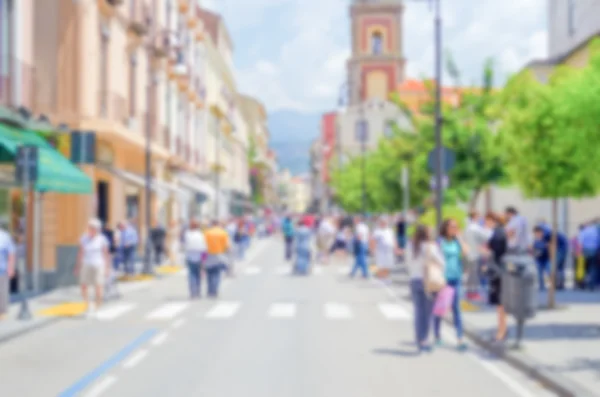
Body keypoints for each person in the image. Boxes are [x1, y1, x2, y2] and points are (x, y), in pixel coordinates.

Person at [433, 218, 469, 350]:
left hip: (456, 277)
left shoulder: (457, 241)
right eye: (452, 227)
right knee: (441, 308)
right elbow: (434, 258)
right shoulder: (440, 242)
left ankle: (460, 338)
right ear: (446, 228)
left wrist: (459, 237)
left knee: (456, 309)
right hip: (443, 279)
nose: (455, 229)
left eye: (456, 227)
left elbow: (466, 252)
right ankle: (437, 335)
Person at [410, 225, 443, 351]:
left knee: (418, 311)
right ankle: (424, 339)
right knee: (428, 312)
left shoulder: (411, 246)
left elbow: (408, 263)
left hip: (414, 280)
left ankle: (419, 337)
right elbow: (442, 263)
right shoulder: (431, 247)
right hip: (428, 281)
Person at [75, 219, 110, 318]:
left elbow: (106, 254)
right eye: (89, 227)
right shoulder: (84, 238)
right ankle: (88, 305)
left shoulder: (102, 239)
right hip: (86, 264)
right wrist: (78, 266)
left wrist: (107, 268)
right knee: (83, 286)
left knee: (98, 287)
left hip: (99, 265)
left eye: (93, 228)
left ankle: (97, 307)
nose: (91, 229)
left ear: (97, 229)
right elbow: (81, 252)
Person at [484, 212, 508, 342]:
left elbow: (496, 251)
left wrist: (486, 251)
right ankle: (502, 330)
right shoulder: (501, 232)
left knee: (500, 303)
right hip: (501, 269)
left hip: (498, 270)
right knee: (500, 303)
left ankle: (501, 331)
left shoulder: (497, 233)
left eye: (486, 221)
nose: (485, 224)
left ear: (492, 220)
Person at [465, 210, 492, 300]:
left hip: (469, 253)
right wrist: (488, 228)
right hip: (475, 254)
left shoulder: (468, 227)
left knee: (471, 274)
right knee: (474, 274)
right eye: (478, 216)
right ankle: (473, 293)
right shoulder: (475, 227)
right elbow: (487, 236)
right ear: (475, 216)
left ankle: (469, 292)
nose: (480, 218)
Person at [203, 220, 231, 298]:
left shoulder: (207, 233)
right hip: (219, 254)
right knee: (217, 273)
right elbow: (228, 246)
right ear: (218, 224)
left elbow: (203, 244)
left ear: (212, 224)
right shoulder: (223, 233)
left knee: (209, 273)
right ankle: (214, 290)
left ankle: (209, 290)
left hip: (209, 255)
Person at [183, 220, 207, 299]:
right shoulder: (201, 234)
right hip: (199, 256)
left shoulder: (187, 234)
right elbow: (204, 247)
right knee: (198, 275)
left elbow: (185, 245)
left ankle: (192, 292)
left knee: (191, 274)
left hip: (190, 256)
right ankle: (198, 291)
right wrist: (204, 259)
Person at [372, 216, 397, 283]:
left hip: (389, 251)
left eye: (385, 222)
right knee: (381, 265)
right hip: (380, 251)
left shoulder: (389, 230)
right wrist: (373, 250)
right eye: (382, 222)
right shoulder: (377, 231)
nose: (384, 224)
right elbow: (373, 241)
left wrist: (395, 248)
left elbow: (393, 240)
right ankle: (380, 278)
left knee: (388, 265)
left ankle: (386, 277)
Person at [0, 222, 15, 320]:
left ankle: (2, 312)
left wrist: (11, 268)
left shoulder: (5, 237)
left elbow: (11, 253)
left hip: (2, 270)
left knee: (2, 292)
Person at [533, 225, 550, 291]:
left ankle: (552, 285)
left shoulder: (545, 240)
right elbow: (533, 250)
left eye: (539, 232)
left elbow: (549, 248)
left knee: (549, 271)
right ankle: (541, 286)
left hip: (546, 259)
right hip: (538, 259)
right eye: (537, 233)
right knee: (539, 274)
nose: (538, 234)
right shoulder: (535, 241)